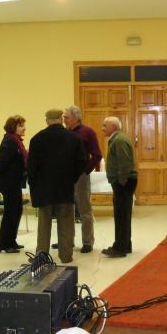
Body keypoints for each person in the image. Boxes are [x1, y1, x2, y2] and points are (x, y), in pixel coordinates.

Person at [28, 109, 85, 263]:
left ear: (47, 121)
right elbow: (81, 163)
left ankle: (41, 256)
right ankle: (66, 256)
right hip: (65, 187)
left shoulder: (37, 139)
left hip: (43, 188)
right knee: (66, 223)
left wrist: (34, 186)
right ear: (61, 119)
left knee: (44, 225)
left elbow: (31, 167)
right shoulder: (73, 138)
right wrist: (71, 178)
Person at [62, 105, 102, 254]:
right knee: (67, 209)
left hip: (81, 176)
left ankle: (87, 242)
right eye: (63, 117)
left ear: (76, 118)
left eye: (66, 117)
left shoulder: (88, 132)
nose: (64, 120)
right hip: (66, 176)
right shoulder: (65, 133)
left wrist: (85, 171)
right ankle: (67, 240)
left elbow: (97, 154)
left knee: (84, 210)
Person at [0, 115, 28, 253]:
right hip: (9, 183)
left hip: (14, 182)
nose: (24, 128)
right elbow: (3, 162)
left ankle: (11, 241)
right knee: (11, 212)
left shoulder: (15, 141)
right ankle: (5, 244)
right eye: (21, 126)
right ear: (13, 127)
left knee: (16, 211)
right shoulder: (10, 142)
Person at [101, 117, 137, 257]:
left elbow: (125, 163)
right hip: (124, 182)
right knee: (123, 215)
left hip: (123, 182)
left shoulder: (119, 140)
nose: (103, 128)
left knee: (121, 215)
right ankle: (125, 245)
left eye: (105, 125)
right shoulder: (117, 139)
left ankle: (120, 248)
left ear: (114, 127)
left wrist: (121, 182)